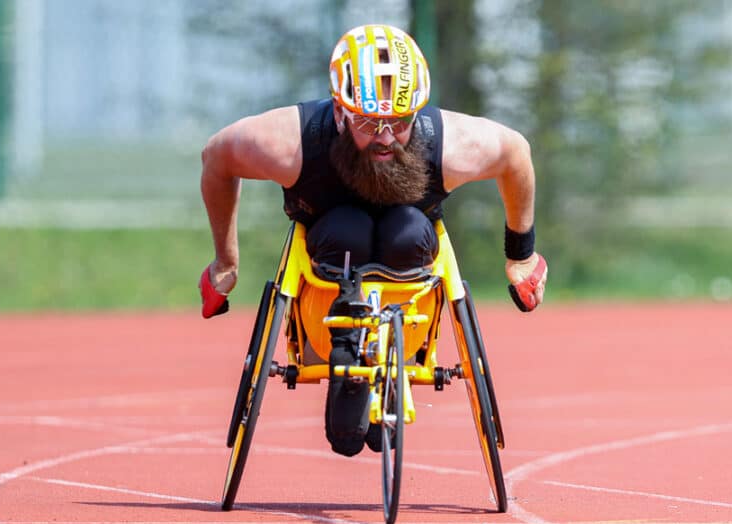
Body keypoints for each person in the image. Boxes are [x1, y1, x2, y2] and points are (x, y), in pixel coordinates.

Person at [198, 23, 547, 456]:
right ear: (340, 112)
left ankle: (397, 357)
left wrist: (521, 255)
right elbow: (216, 157)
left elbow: (516, 154)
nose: (385, 138)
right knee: (348, 230)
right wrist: (225, 262)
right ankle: (345, 355)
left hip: (411, 269)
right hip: (324, 285)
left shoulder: (447, 145)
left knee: (407, 230)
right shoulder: (292, 143)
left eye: (400, 122)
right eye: (368, 122)